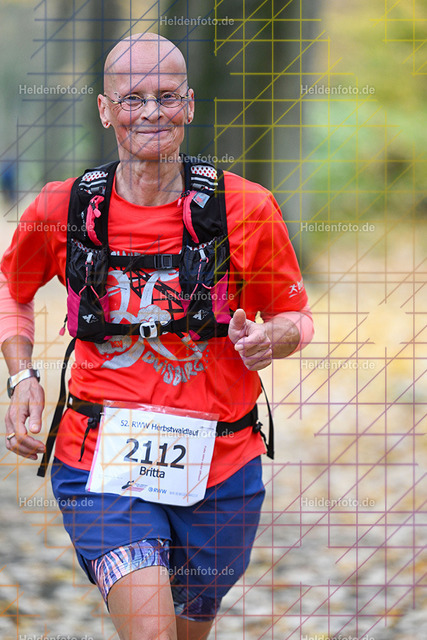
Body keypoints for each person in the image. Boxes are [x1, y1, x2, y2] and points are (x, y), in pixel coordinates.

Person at [1, 33, 313, 640]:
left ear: (189, 105)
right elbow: (12, 289)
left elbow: (296, 317)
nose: (150, 112)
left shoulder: (246, 208)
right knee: (151, 633)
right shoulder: (63, 208)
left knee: (187, 631)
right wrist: (22, 375)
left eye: (167, 96)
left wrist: (269, 339)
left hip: (222, 464)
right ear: (104, 109)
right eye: (132, 98)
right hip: (100, 459)